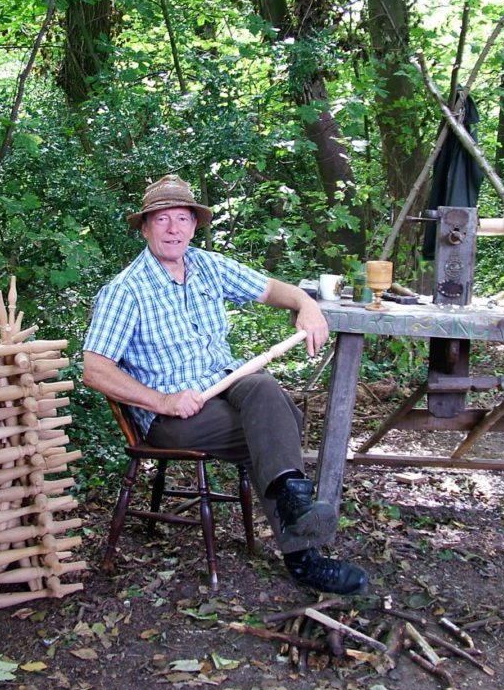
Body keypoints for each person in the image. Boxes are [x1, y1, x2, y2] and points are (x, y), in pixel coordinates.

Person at [83, 174, 367, 595]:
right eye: (162, 220)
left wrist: (307, 305)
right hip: (175, 414)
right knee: (274, 427)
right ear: (144, 228)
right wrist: (162, 401)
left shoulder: (207, 266)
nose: (174, 229)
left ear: (195, 226)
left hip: (225, 383)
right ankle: (304, 555)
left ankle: (293, 502)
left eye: (182, 218)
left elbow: (275, 290)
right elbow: (94, 370)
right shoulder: (126, 291)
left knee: (266, 389)